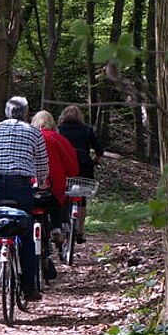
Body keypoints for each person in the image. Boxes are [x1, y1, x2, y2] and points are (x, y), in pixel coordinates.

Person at [0, 96, 49, 302]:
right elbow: (42, 164)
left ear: (6, 112)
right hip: (20, 183)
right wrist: (42, 181)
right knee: (26, 231)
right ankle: (29, 287)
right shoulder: (33, 131)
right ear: (26, 113)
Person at [30, 110, 79, 249]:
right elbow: (72, 166)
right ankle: (56, 227)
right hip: (54, 184)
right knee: (56, 201)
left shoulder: (29, 138)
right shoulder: (58, 139)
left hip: (32, 183)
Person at [57, 104, 104, 243]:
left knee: (64, 195)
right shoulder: (87, 130)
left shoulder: (59, 130)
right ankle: (80, 231)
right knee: (82, 198)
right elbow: (99, 150)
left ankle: (63, 224)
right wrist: (95, 160)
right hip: (84, 165)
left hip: (65, 165)